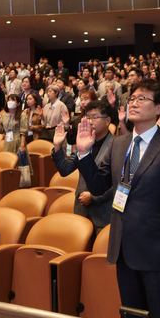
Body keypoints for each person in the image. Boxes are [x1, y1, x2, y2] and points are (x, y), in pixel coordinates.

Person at [75, 79, 160, 318]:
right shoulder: (120, 144)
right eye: (132, 99)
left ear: (159, 108)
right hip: (124, 250)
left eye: (142, 99)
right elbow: (98, 186)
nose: (134, 103)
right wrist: (84, 154)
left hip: (158, 253)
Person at [52, 100, 116, 239]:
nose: (90, 121)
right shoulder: (83, 142)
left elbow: (118, 182)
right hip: (81, 209)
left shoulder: (116, 145)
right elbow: (65, 170)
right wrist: (58, 147)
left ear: (107, 120)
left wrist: (94, 197)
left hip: (103, 213)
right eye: (87, 117)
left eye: (95, 117)